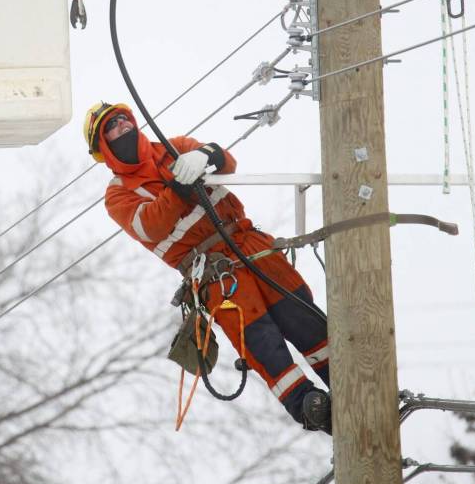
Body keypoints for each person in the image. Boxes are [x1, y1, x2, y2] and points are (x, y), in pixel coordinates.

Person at [83, 102, 332, 433]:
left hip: (249, 242)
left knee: (302, 317)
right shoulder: (118, 195)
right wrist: (178, 189)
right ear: (103, 147)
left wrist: (208, 156)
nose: (121, 127)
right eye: (110, 127)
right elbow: (152, 225)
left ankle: (350, 381)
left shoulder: (175, 147)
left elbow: (226, 161)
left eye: (123, 119)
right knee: (261, 340)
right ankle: (309, 406)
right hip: (214, 271)